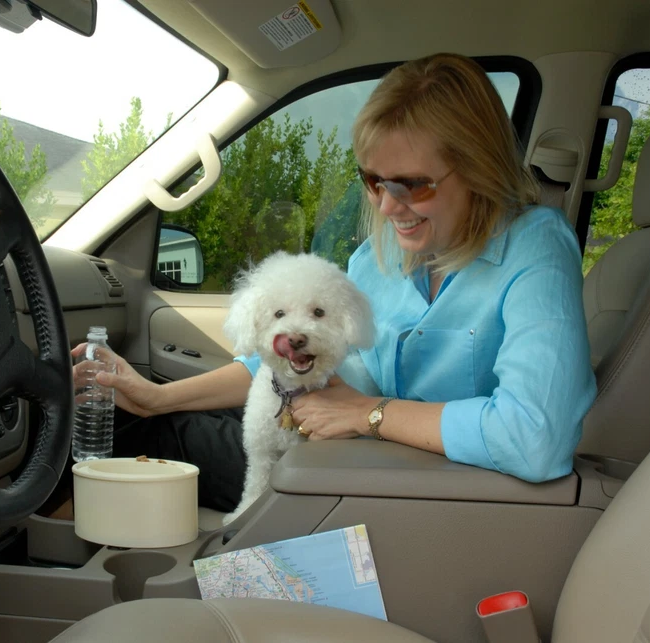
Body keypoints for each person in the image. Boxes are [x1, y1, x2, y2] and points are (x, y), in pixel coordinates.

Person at [73, 53, 596, 512]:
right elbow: (283, 352)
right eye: (373, 181)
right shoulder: (379, 256)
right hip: (342, 453)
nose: (389, 207)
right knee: (146, 431)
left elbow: (534, 438)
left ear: (479, 168)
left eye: (413, 184)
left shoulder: (536, 248)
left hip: (427, 490)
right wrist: (154, 397)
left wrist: (371, 413)